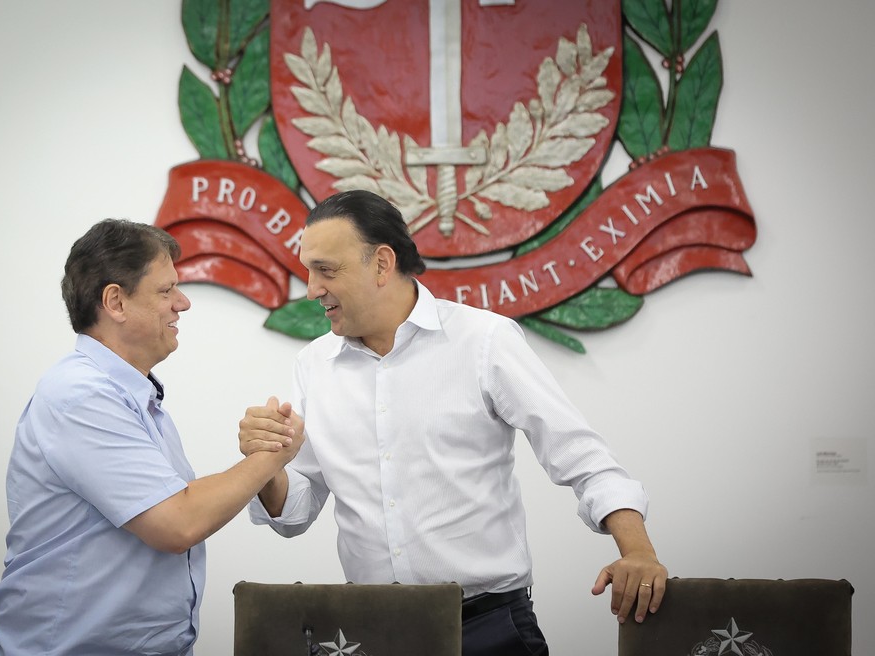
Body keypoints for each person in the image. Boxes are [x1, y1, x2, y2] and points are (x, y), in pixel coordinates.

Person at [238, 190, 668, 656]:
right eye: (308, 270)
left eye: (326, 269)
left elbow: (580, 456)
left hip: (487, 629)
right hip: (367, 631)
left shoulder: (484, 340)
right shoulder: (314, 364)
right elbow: (296, 510)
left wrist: (638, 551)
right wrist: (267, 467)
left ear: (382, 264)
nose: (312, 288)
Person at [0, 219, 304, 656]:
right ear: (115, 302)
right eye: (166, 290)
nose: (183, 303)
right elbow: (177, 523)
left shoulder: (136, 399)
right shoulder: (80, 396)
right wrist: (270, 455)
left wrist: (260, 457)